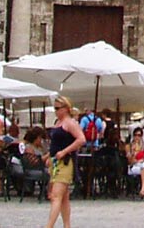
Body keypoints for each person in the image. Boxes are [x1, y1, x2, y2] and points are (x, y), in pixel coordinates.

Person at [46, 97, 86, 228]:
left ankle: (49, 226)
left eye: (58, 108)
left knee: (56, 196)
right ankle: (67, 225)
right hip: (55, 161)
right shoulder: (58, 122)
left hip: (65, 162)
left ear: (66, 109)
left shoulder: (70, 123)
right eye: (55, 109)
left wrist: (64, 151)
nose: (56, 111)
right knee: (63, 198)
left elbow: (81, 139)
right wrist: (48, 156)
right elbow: (55, 143)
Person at [125, 128, 144, 200]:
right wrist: (133, 153)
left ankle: (143, 189)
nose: (137, 137)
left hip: (142, 165)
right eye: (135, 135)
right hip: (133, 166)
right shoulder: (128, 146)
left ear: (141, 136)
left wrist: (143, 161)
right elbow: (129, 162)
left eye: (139, 135)